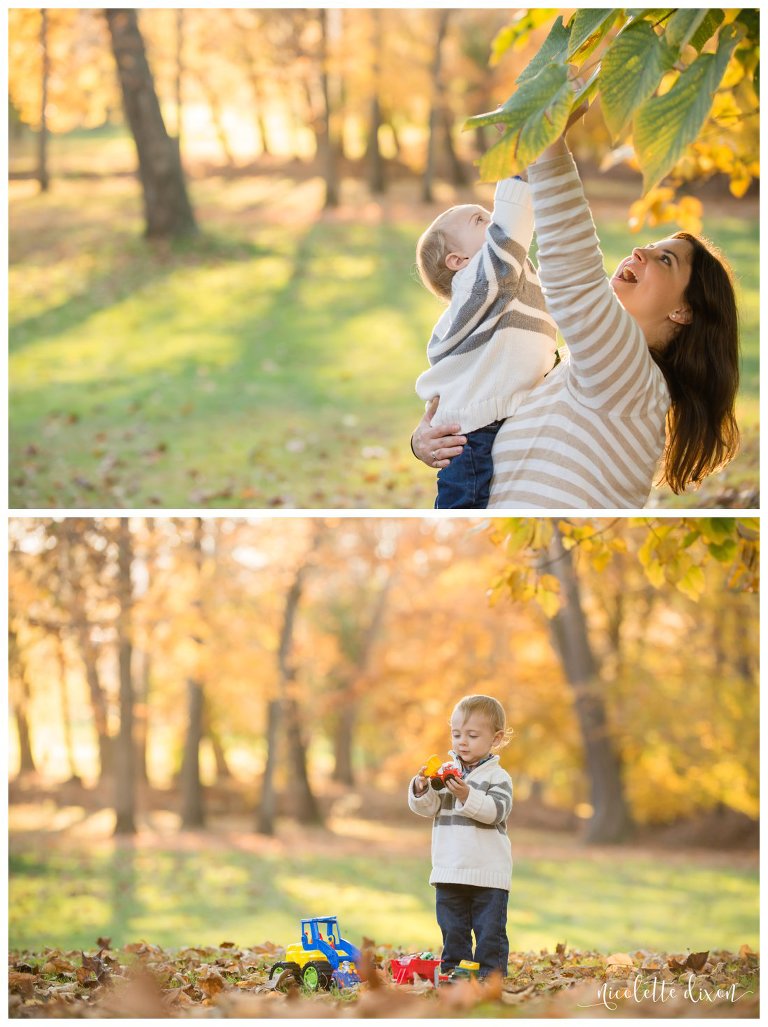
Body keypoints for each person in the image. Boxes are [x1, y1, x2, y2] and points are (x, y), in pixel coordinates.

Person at [411, 116, 740, 509]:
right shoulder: (577, 369)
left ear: (684, 311)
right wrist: (427, 439)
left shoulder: (632, 376)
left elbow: (573, 276)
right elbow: (487, 391)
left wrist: (546, 141)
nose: (640, 251)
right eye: (650, 244)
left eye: (664, 259)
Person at [414, 176, 558, 508]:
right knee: (464, 505)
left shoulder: (504, 284)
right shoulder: (476, 281)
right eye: (480, 220)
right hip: (471, 434)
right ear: (458, 261)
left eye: (490, 216)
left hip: (498, 419)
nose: (492, 222)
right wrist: (518, 174)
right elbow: (508, 234)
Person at [408, 694, 513, 979]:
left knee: (489, 931)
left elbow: (496, 812)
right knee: (453, 929)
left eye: (472, 735)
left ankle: (491, 977)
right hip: (450, 869)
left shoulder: (497, 777)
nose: (462, 742)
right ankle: (455, 974)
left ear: (496, 738)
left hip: (487, 873)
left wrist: (468, 795)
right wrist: (421, 788)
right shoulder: (445, 772)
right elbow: (428, 808)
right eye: (456, 734)